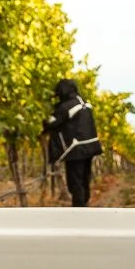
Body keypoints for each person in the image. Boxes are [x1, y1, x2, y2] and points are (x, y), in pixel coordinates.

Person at [43, 79, 103, 207]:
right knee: (84, 179)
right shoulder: (86, 104)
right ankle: (84, 206)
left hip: (76, 149)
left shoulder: (66, 107)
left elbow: (50, 123)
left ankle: (79, 212)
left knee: (75, 183)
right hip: (91, 147)